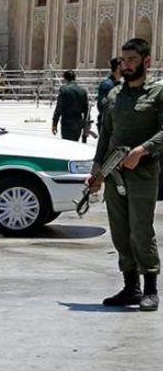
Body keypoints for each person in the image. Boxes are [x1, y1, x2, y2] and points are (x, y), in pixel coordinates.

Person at [87, 38, 162, 312]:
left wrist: (142, 150)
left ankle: (150, 289)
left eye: (132, 60)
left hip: (143, 174)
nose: (126, 65)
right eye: (124, 60)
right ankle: (131, 287)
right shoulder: (114, 95)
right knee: (120, 232)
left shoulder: (157, 94)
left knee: (141, 230)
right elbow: (106, 134)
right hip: (114, 173)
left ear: (146, 61)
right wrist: (97, 170)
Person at [52, 70, 89, 141]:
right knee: (75, 143)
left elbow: (59, 108)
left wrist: (54, 123)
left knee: (67, 143)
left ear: (65, 79)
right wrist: (86, 125)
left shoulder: (64, 90)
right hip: (78, 122)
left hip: (67, 122)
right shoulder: (82, 91)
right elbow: (86, 110)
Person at [96, 57, 123, 129]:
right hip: (108, 126)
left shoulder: (119, 84)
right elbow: (102, 107)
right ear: (118, 67)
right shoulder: (107, 84)